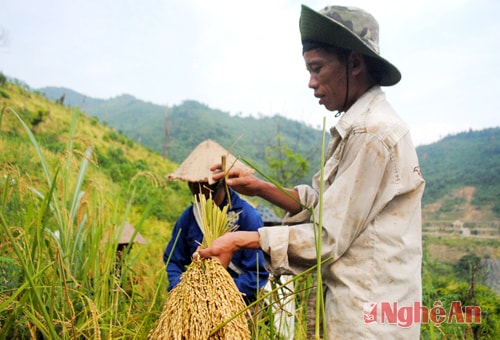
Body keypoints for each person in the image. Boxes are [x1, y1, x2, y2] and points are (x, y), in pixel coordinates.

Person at [198, 5, 425, 339]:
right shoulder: (355, 128)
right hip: (355, 312)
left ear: (354, 63)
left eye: (317, 69)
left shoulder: (371, 133)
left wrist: (242, 239)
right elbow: (321, 202)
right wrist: (259, 187)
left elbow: (327, 237)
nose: (311, 82)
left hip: (369, 322)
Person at [163, 139, 269, 304]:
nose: (199, 194)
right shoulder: (190, 217)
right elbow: (173, 260)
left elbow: (256, 274)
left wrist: (218, 293)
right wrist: (181, 287)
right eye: (194, 187)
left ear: (221, 184)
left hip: (235, 301)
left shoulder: (247, 217)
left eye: (204, 187)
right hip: (194, 299)